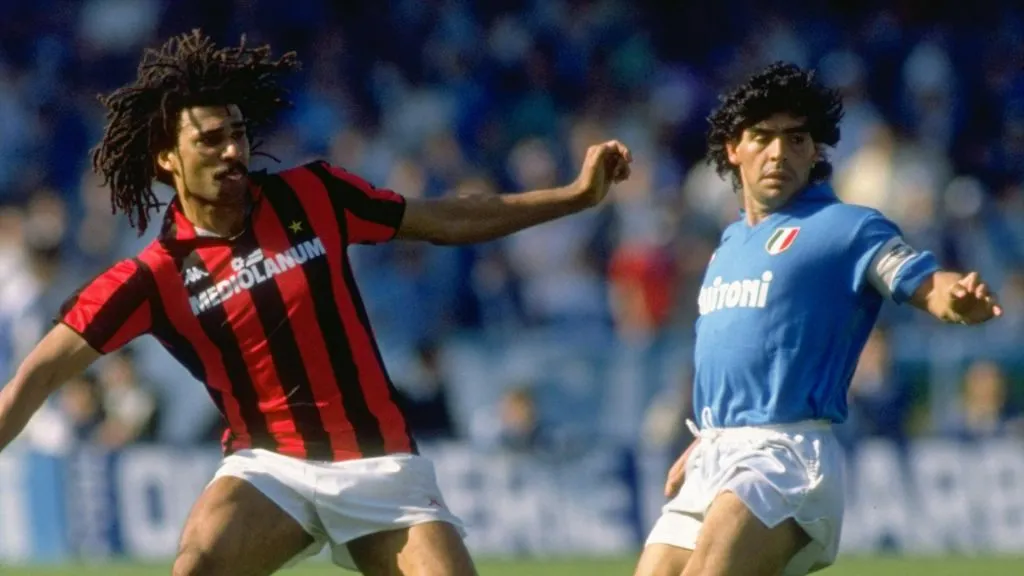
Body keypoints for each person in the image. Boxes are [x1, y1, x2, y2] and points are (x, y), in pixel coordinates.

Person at [0, 30, 632, 576]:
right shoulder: (152, 276)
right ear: (167, 159)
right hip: (270, 469)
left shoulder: (313, 196)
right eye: (210, 140)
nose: (232, 151)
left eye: (239, 135)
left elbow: (448, 218)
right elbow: (38, 374)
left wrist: (574, 196)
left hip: (383, 467)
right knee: (194, 566)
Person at [633, 62, 1002, 576]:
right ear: (733, 149)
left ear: (815, 152)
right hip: (715, 453)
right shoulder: (729, 243)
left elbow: (921, 282)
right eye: (762, 137)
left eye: (797, 138)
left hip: (785, 455)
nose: (779, 152)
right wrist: (711, 433)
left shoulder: (846, 229)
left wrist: (953, 299)